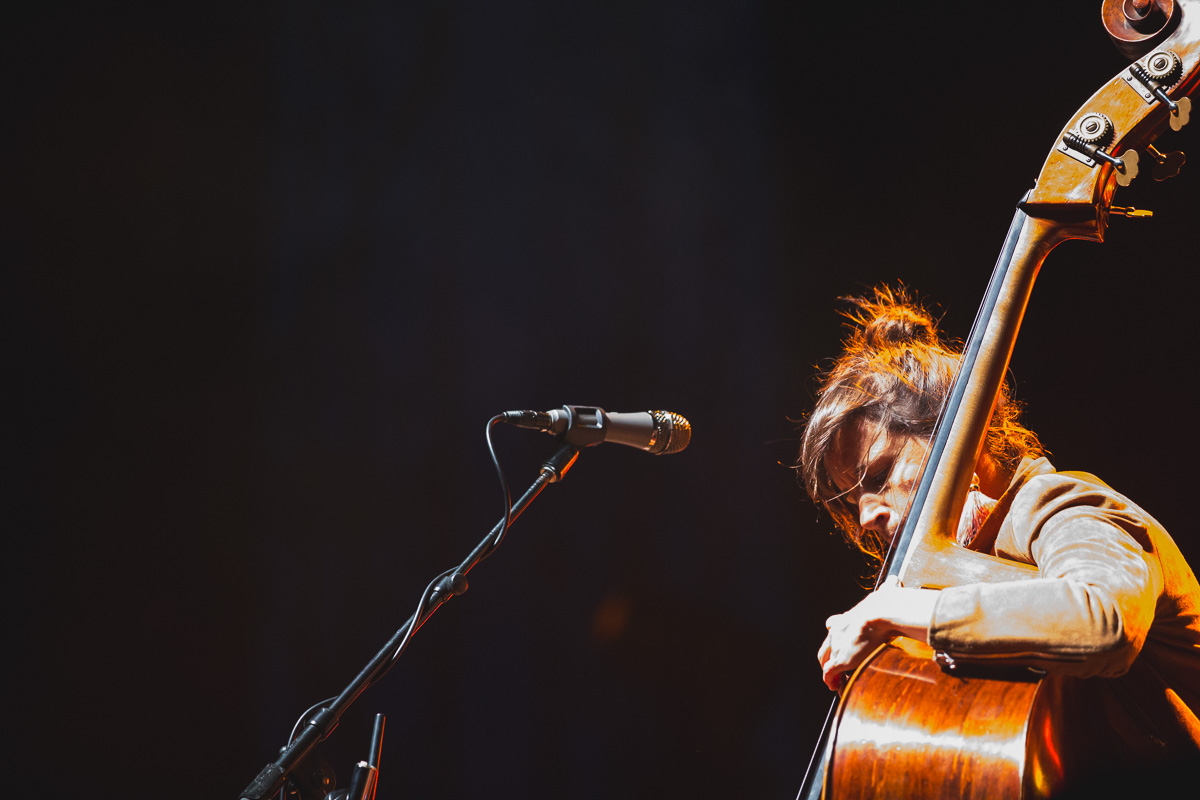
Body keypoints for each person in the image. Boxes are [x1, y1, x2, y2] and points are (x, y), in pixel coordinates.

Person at [797, 285, 1200, 774]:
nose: (867, 517)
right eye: (852, 502)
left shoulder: (1058, 503)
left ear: (956, 434)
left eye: (879, 476)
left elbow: (1103, 620)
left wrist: (901, 607)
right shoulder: (970, 576)